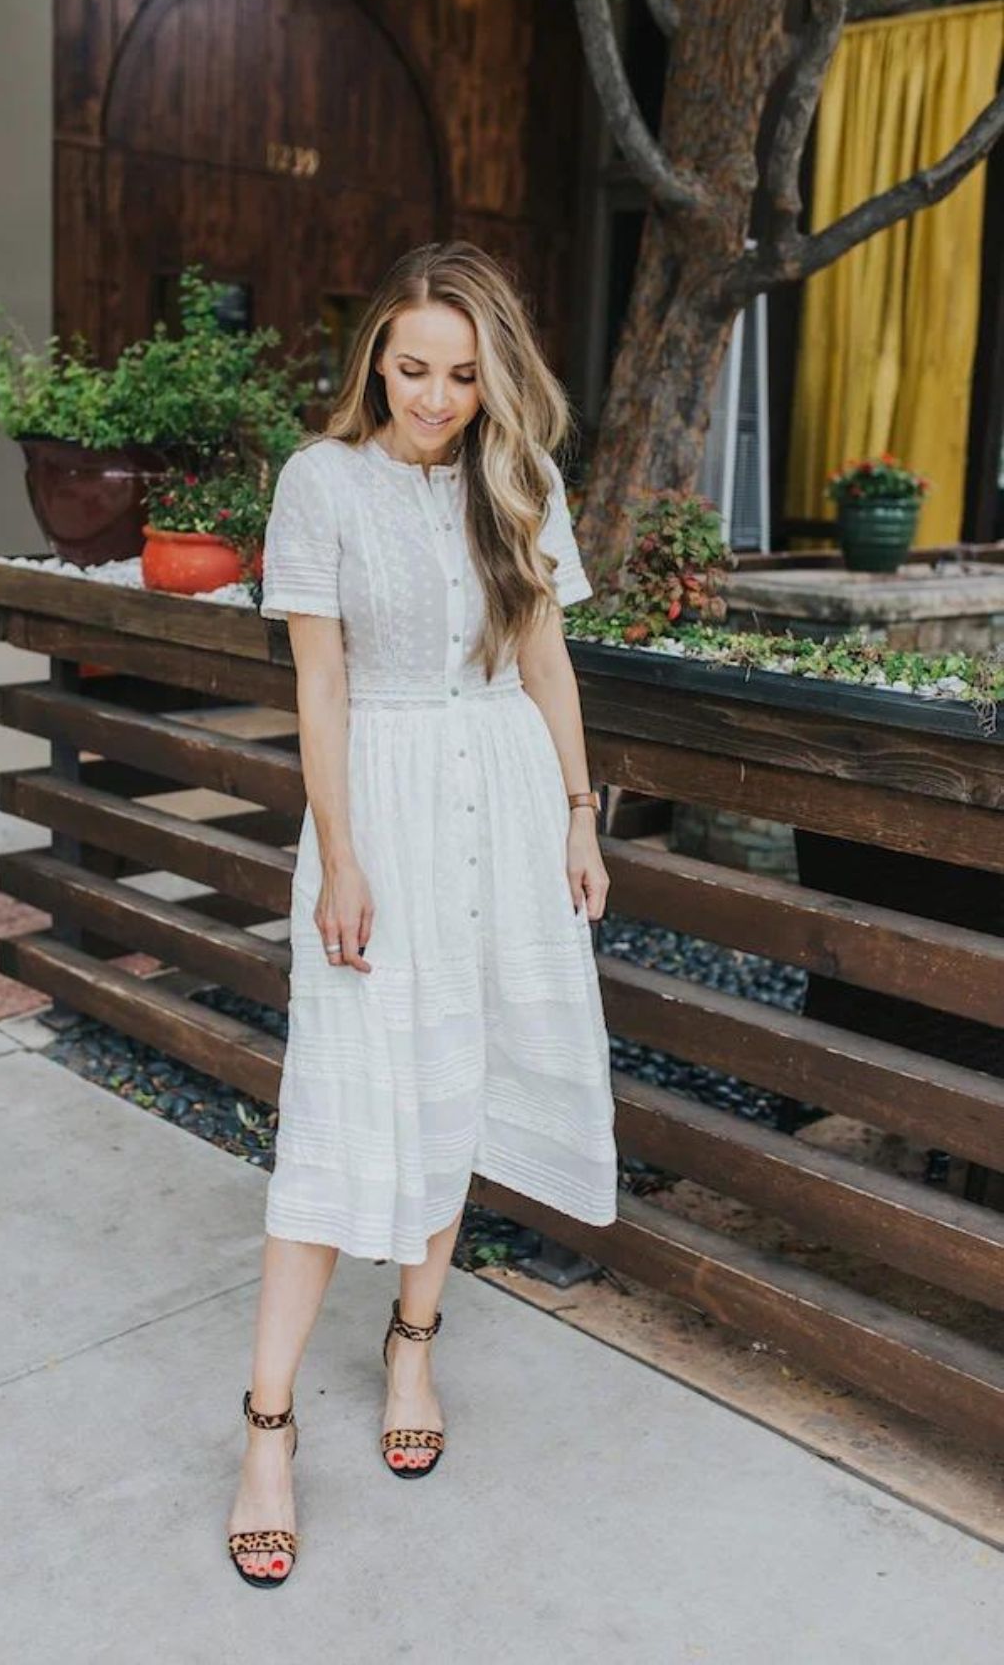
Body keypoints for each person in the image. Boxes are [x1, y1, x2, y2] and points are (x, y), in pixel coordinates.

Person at [226, 239, 617, 1587]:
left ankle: (413, 1345)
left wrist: (577, 811)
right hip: (377, 810)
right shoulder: (319, 481)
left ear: (491, 375)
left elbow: (547, 654)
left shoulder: (520, 481)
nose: (437, 397)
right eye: (412, 367)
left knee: (454, 1077)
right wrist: (340, 859)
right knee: (339, 1102)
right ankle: (267, 1424)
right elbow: (319, 689)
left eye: (462, 374)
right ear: (373, 358)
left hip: (501, 809)